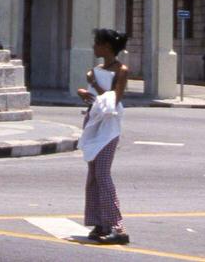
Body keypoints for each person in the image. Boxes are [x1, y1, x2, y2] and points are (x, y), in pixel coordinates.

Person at [77, 28, 130, 246]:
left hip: (109, 128)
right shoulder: (97, 69)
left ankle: (118, 227)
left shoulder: (121, 70)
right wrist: (85, 94)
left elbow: (112, 102)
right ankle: (100, 223)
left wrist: (94, 84)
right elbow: (96, 102)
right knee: (93, 175)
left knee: (103, 173)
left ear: (107, 46)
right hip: (93, 123)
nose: (94, 47)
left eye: (97, 43)